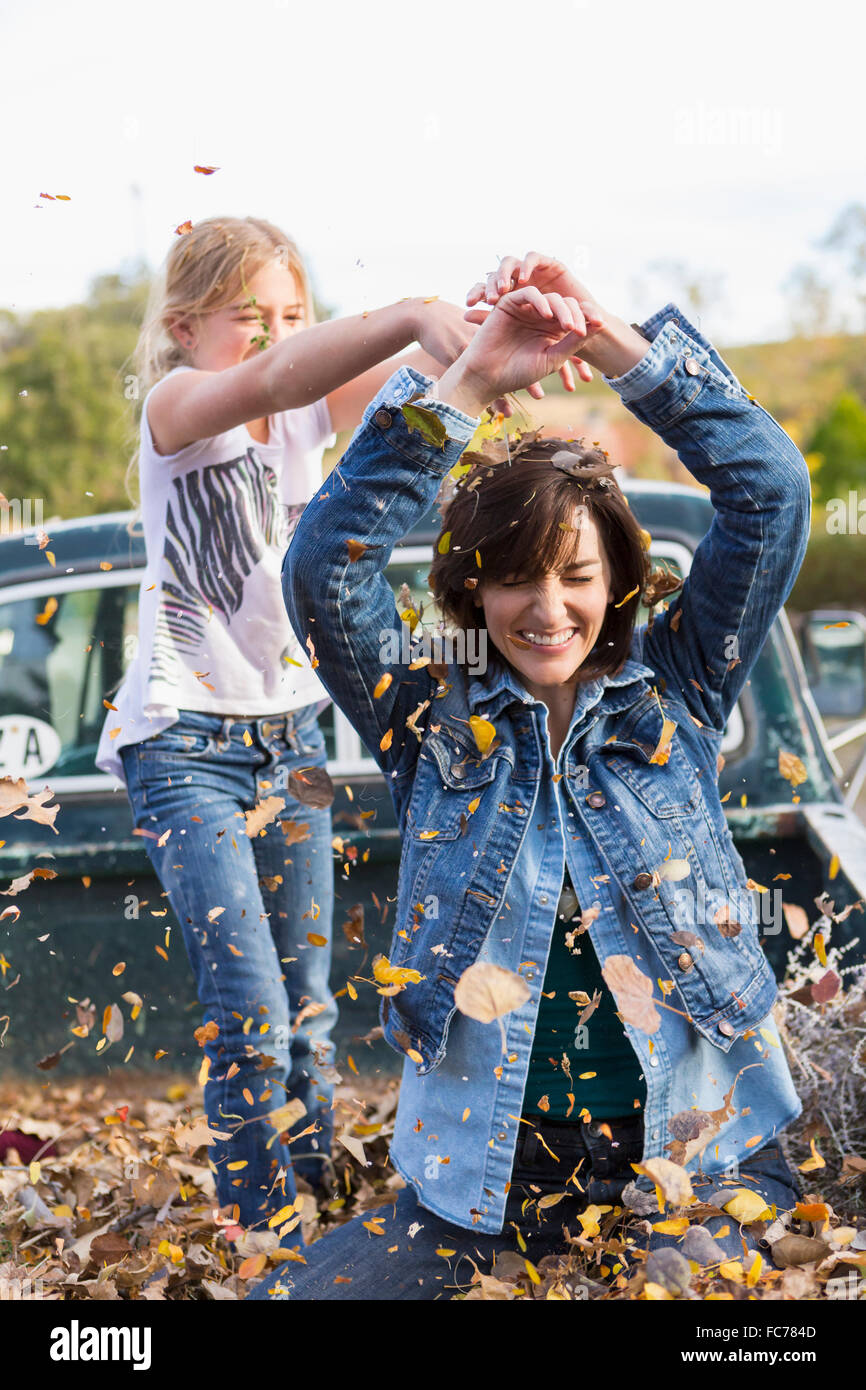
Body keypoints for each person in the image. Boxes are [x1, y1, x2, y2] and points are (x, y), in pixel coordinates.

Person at [249, 253, 809, 1299]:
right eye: (512, 577)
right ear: (473, 591)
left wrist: (602, 339)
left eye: (575, 574)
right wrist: (465, 382)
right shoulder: (430, 712)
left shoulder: (673, 686)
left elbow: (768, 492)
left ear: (618, 582)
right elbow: (325, 564)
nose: (545, 608)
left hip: (693, 1161)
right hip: (481, 1179)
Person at [95, 216, 498, 1229]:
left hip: (291, 739)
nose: (275, 336)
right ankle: (263, 1237)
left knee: (311, 1009)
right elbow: (273, 381)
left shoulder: (318, 415)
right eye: (249, 319)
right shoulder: (177, 407)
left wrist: (488, 335)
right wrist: (406, 308)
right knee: (252, 1015)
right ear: (185, 328)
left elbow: (427, 390)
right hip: (181, 739)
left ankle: (318, 1212)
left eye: (293, 315)